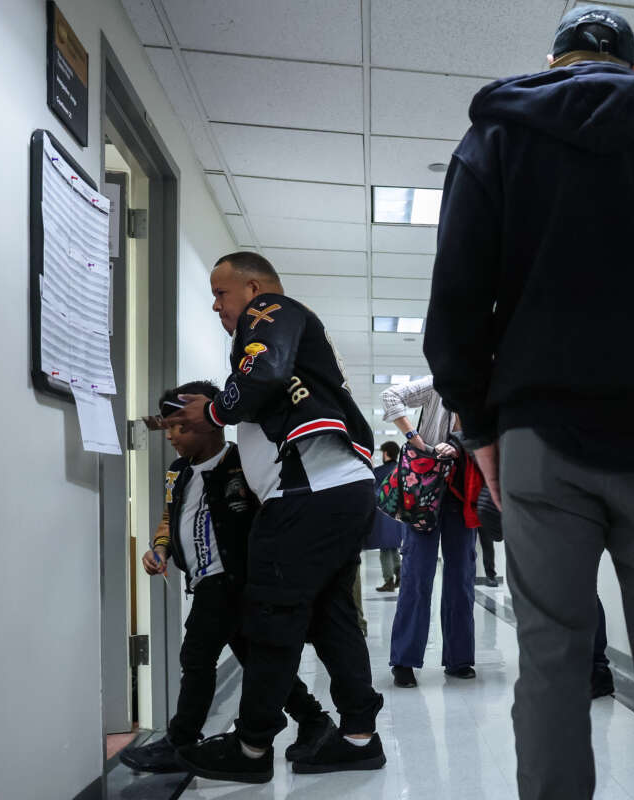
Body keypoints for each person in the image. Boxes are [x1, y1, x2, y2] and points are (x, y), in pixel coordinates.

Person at [422, 7, 634, 799]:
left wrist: (480, 426)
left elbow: (457, 306)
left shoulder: (496, 141)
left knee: (553, 654)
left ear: (552, 60)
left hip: (541, 437)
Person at [167, 252, 386, 783]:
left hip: (309, 494)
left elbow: (263, 372)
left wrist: (215, 412)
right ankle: (359, 736)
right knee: (329, 614)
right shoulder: (277, 328)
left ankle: (250, 749)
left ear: (254, 287)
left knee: (270, 613)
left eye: (222, 293)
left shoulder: (268, 309)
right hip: (335, 490)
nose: (217, 305)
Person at [119, 381, 332, 774]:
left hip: (234, 580)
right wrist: (160, 549)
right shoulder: (177, 472)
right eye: (166, 428)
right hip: (202, 579)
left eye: (179, 427)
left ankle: (181, 740)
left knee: (196, 656)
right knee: (255, 659)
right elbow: (170, 518)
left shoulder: (241, 463)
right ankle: (314, 719)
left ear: (210, 423)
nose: (171, 437)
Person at [382, 376, 483, 688]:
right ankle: (404, 660)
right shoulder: (439, 383)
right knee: (416, 576)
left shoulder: (490, 392)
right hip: (425, 490)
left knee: (461, 580)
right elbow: (391, 395)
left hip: (463, 494)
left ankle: (459, 659)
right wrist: (417, 441)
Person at [475, 486, 615, 699]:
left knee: (579, 590)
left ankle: (596, 669)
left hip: (578, 513)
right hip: (566, 514)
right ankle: (584, 667)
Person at [372, 440, 403, 592]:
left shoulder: (378, 472)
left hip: (384, 517)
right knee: (394, 548)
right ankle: (400, 573)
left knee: (385, 550)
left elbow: (375, 496)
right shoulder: (402, 469)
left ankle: (388, 581)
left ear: (385, 453)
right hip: (399, 518)